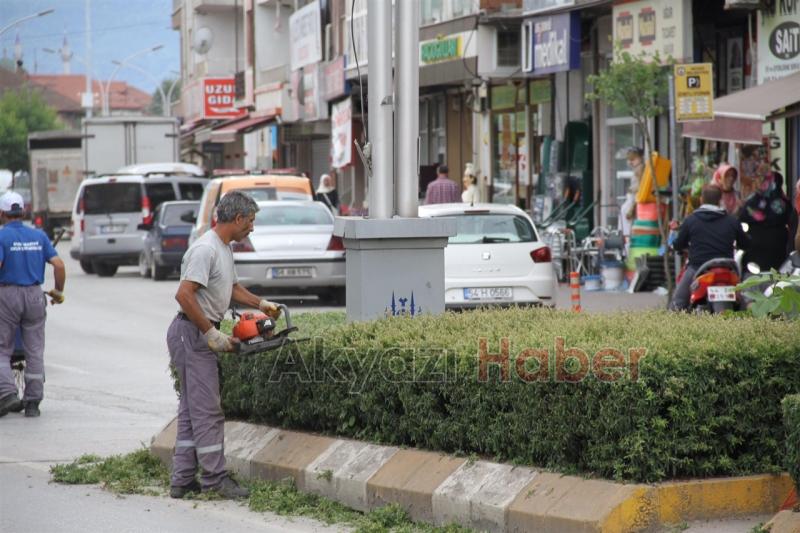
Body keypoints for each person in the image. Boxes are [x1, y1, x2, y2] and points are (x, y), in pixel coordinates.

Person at [167, 191, 281, 499]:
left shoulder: (223, 248)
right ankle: (215, 479)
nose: (252, 228)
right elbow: (184, 295)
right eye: (251, 221)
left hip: (194, 332)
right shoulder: (205, 249)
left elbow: (231, 288)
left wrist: (261, 304)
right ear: (238, 218)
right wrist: (210, 334)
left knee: (192, 410)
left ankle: (182, 479)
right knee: (208, 411)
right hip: (191, 332)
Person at [0, 192, 65, 417]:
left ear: (2, 214)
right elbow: (58, 265)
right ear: (23, 212)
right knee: (34, 350)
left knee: (2, 349)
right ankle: (33, 403)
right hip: (36, 295)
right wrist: (58, 292)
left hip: (8, 295)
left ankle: (7, 394)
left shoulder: (2, 237)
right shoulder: (39, 236)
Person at [669, 185, 749, 311]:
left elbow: (678, 244)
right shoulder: (732, 221)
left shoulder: (691, 220)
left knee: (678, 303)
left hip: (697, 268)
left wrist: (676, 245)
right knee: (744, 304)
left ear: (701, 200)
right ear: (720, 200)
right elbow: (745, 244)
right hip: (727, 268)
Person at [738, 166, 790, 273]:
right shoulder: (783, 201)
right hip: (771, 247)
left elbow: (743, 216)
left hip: (763, 247)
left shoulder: (756, 200)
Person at [619, 148, 644, 238]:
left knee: (626, 215)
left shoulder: (640, 169)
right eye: (629, 160)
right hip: (633, 197)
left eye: (633, 159)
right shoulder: (637, 169)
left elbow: (641, 186)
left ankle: (626, 236)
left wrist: (633, 206)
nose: (631, 162)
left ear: (640, 158)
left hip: (635, 197)